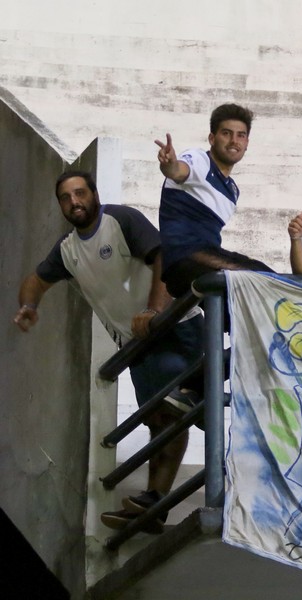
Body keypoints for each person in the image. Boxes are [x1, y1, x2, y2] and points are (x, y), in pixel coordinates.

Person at [13, 171, 203, 534]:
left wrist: (153, 310)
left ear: (94, 194)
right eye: (66, 197)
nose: (74, 202)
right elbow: (36, 281)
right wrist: (29, 305)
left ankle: (160, 498)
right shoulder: (67, 250)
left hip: (175, 328)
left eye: (80, 193)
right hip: (136, 346)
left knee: (175, 412)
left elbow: (163, 256)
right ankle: (154, 506)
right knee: (157, 420)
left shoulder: (120, 219)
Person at [156, 103, 273, 297]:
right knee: (263, 279)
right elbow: (177, 171)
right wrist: (170, 164)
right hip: (186, 260)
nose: (234, 141)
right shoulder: (200, 160)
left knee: (267, 277)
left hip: (208, 258)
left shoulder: (232, 191)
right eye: (226, 133)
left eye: (240, 135)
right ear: (212, 138)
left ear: (247, 143)